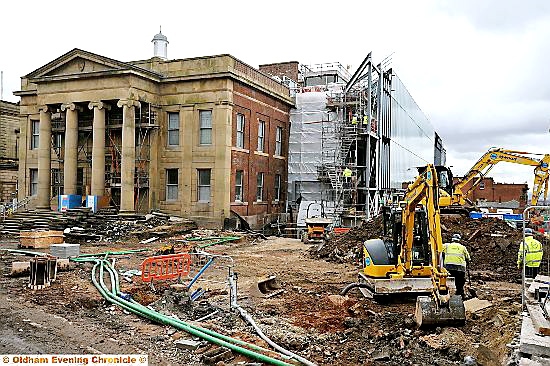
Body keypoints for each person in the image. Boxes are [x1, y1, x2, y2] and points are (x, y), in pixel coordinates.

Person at [443, 233, 471, 297]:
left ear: (452, 239)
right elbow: (468, 258)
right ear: (459, 240)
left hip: (448, 267)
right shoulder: (463, 247)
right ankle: (459, 293)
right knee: (460, 281)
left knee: (448, 280)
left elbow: (438, 249)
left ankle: (447, 293)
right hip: (460, 268)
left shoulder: (446, 246)